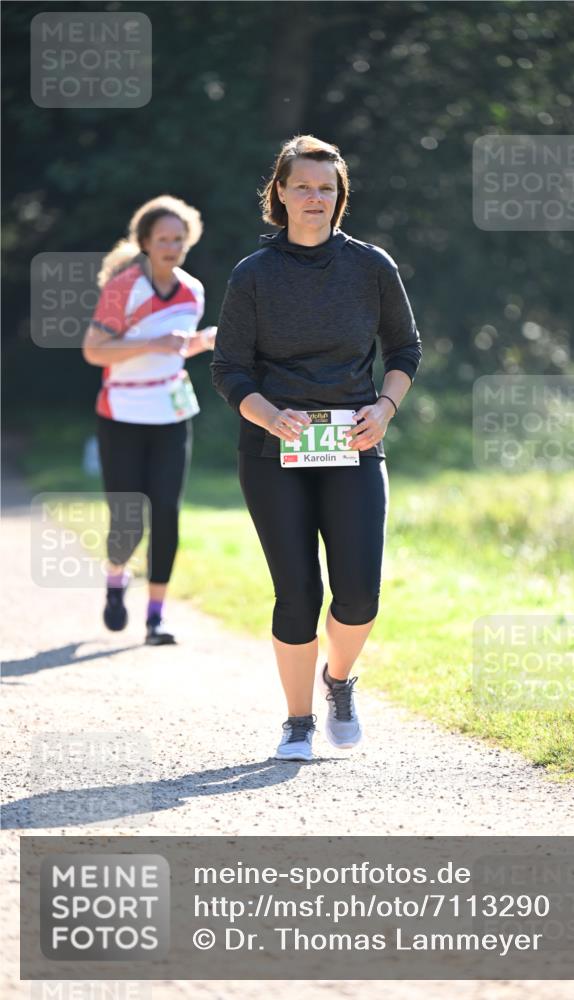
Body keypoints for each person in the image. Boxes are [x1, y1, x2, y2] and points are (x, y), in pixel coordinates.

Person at [211, 135, 422, 760]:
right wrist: (269, 415)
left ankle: (339, 681)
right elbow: (228, 369)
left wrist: (384, 409)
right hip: (273, 450)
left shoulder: (371, 266)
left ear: (340, 196)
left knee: (358, 594)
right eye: (302, 185)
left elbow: (404, 350)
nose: (314, 197)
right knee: (297, 592)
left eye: (326, 187)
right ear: (279, 192)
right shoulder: (253, 275)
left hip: (354, 444)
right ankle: (298, 722)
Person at [82, 195, 216, 645]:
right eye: (163, 239)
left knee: (167, 513)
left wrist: (203, 341)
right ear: (144, 242)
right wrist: (152, 343)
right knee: (128, 521)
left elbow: (177, 347)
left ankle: (156, 618)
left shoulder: (193, 291)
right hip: (121, 413)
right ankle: (116, 578)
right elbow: (94, 350)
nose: (171, 247)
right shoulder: (124, 288)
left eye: (179, 239)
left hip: (171, 413)